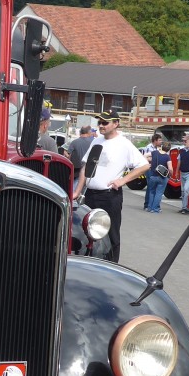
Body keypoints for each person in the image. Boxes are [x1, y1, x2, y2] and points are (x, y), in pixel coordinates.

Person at [77, 109, 148, 262]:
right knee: (86, 232)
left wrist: (123, 180)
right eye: (99, 122)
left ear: (116, 124)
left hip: (109, 196)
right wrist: (77, 191)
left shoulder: (124, 144)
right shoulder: (96, 141)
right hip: (90, 194)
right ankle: (89, 262)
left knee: (111, 235)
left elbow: (143, 165)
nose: (101, 125)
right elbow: (85, 167)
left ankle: (111, 266)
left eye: (105, 122)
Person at [144, 139, 170, 213]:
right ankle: (155, 208)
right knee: (159, 193)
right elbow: (170, 168)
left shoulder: (155, 153)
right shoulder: (167, 157)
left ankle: (149, 207)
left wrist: (148, 163)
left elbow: (145, 155)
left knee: (151, 191)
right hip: (162, 177)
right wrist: (170, 173)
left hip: (153, 175)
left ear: (161, 147)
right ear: (168, 149)